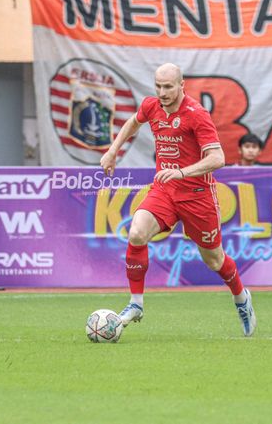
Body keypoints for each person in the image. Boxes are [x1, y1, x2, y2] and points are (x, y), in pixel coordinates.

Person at [99, 63, 257, 337]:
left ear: (182, 85)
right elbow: (133, 122)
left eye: (168, 86)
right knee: (136, 232)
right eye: (158, 86)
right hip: (165, 190)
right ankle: (136, 303)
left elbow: (217, 158)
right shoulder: (151, 106)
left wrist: (182, 172)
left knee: (214, 259)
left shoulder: (197, 115)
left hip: (197, 196)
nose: (162, 92)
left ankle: (241, 298)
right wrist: (113, 151)